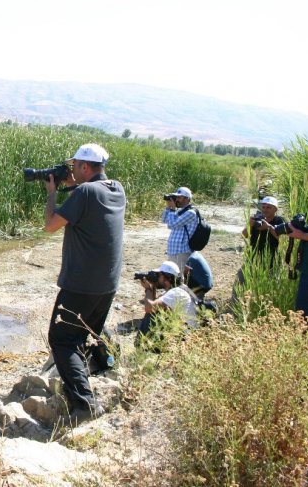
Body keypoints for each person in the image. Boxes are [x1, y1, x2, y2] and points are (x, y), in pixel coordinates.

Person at [43, 143, 126, 424]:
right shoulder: (116, 189)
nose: (72, 170)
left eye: (75, 165)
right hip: (107, 283)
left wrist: (53, 193)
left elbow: (51, 225)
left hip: (81, 283)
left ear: (85, 167)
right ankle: (82, 381)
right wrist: (73, 185)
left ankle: (85, 404)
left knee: (62, 339)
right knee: (79, 335)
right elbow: (91, 206)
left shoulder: (85, 192)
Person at [138, 261, 199, 337]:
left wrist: (147, 289)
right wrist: (153, 285)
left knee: (150, 316)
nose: (156, 277)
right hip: (184, 331)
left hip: (185, 336)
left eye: (158, 275)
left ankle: (144, 346)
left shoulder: (176, 293)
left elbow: (149, 307)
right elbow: (155, 304)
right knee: (156, 312)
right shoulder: (179, 289)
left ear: (167, 278)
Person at [162, 186, 198, 274]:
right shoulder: (181, 211)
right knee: (171, 276)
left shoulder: (191, 213)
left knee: (179, 277)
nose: (176, 199)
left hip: (182, 251)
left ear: (187, 199)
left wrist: (172, 209)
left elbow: (171, 225)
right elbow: (164, 220)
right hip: (173, 250)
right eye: (176, 197)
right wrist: (168, 207)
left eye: (179, 197)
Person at [241, 196, 284, 265]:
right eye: (263, 207)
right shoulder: (257, 218)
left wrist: (269, 227)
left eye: (268, 207)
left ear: (275, 209)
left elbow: (283, 240)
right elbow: (244, 235)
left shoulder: (280, 221)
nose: (265, 210)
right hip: (253, 256)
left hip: (271, 258)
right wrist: (250, 225)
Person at [288, 227, 308, 317]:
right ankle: (302, 330)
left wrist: (301, 235)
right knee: (302, 309)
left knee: (303, 308)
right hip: (307, 270)